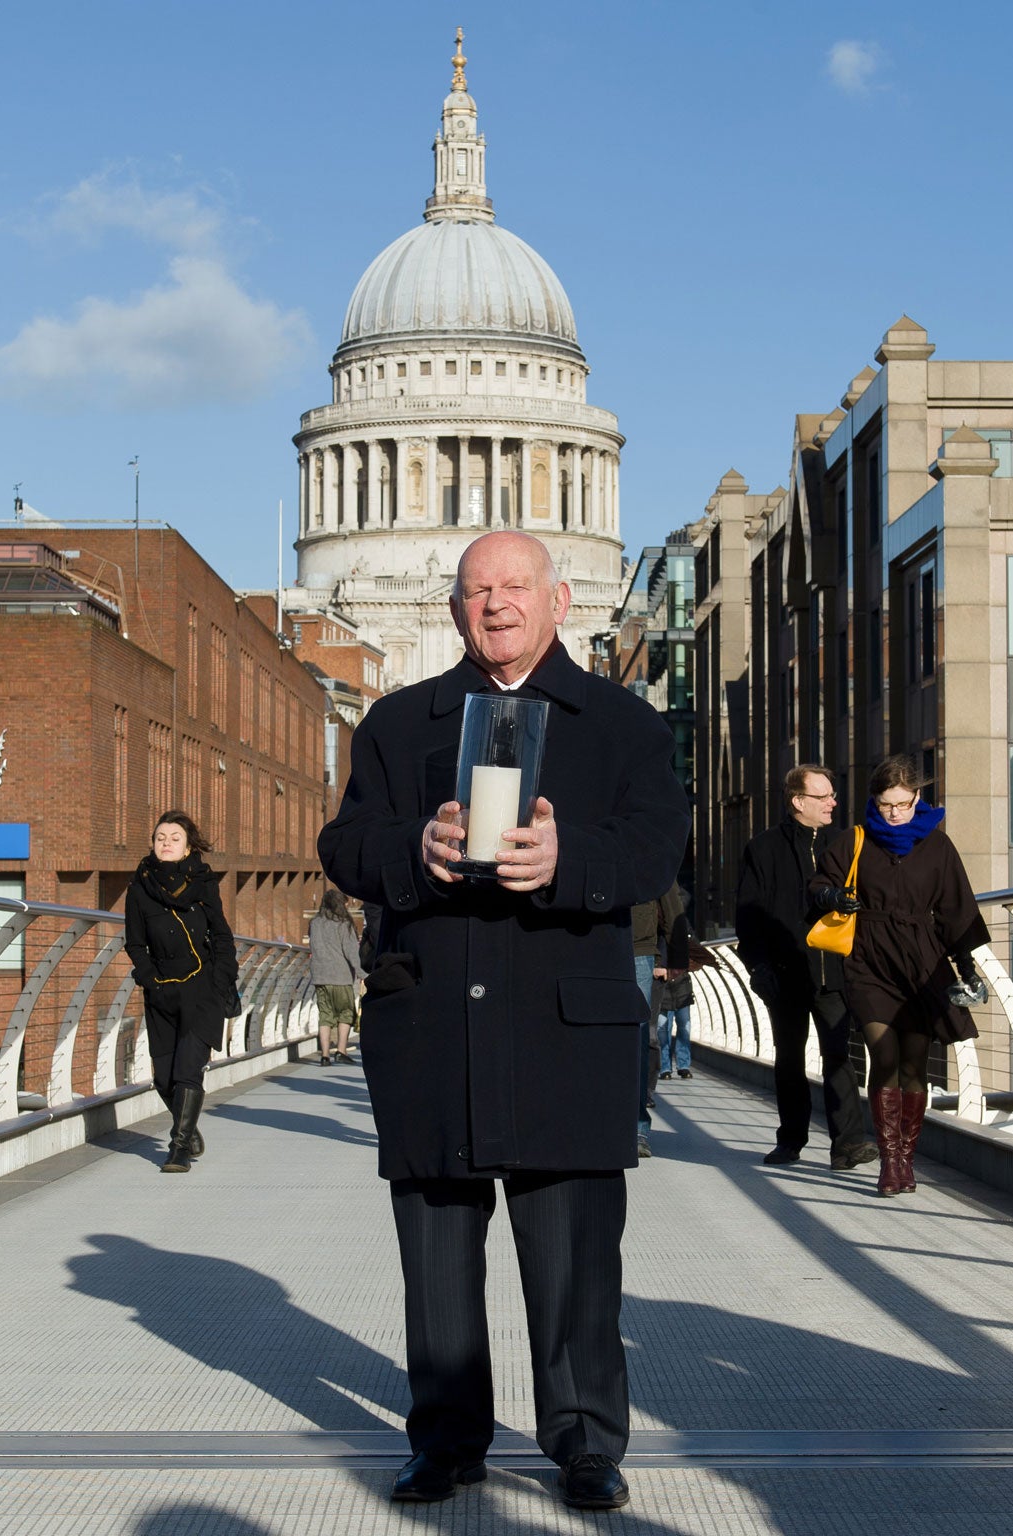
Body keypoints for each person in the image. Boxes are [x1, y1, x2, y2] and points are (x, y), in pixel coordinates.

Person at [319, 529, 687, 1513]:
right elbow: (345, 846)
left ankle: (583, 1445)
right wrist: (415, 846)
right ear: (454, 609)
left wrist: (568, 861)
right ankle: (443, 1442)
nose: (495, 604)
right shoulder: (397, 726)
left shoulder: (624, 727)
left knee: (573, 1264)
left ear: (558, 601)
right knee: (436, 1263)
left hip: (566, 1028)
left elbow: (653, 854)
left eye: (514, 586)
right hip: (431, 1024)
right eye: (477, 589)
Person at [813, 754, 990, 1197]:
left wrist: (966, 968)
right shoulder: (854, 839)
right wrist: (834, 894)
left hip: (921, 963)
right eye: (887, 804)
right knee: (882, 1054)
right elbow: (817, 885)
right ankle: (889, 1163)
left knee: (914, 1064)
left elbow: (956, 910)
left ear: (917, 797)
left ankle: (907, 1159)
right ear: (875, 800)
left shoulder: (938, 845)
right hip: (868, 959)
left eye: (903, 804)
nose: (895, 813)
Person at [735, 765, 877, 1169]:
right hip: (784, 970)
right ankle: (790, 1141)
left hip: (835, 970)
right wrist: (759, 966)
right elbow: (749, 913)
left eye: (833, 795)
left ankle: (847, 1145)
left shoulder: (846, 843)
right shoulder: (763, 848)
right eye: (824, 796)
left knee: (839, 1056)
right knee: (790, 1058)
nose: (834, 802)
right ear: (799, 802)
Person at [125, 810, 238, 1175]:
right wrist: (149, 980)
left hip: (201, 988)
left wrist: (221, 981)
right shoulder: (139, 888)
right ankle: (189, 1130)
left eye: (175, 838)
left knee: (189, 1071)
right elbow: (136, 944)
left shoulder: (203, 882)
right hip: (161, 991)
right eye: (161, 838)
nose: (167, 843)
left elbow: (221, 935)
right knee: (163, 1077)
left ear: (188, 846)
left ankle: (177, 1149)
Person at [628, 882, 684, 1156]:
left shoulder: (647, 841)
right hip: (597, 947)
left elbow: (672, 902)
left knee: (639, 1038)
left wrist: (677, 956)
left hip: (640, 949)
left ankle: (638, 1129)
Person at [308, 888, 363, 1065]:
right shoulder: (343, 924)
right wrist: (363, 974)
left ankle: (324, 1056)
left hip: (320, 976)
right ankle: (341, 1050)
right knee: (345, 1013)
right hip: (341, 976)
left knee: (325, 1015)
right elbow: (352, 952)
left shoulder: (315, 923)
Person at [655, 902, 694, 1080]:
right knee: (663, 1029)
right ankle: (665, 1067)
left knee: (684, 1026)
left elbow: (695, 946)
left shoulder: (684, 926)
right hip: (663, 984)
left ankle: (683, 1065)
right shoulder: (656, 928)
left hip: (681, 985)